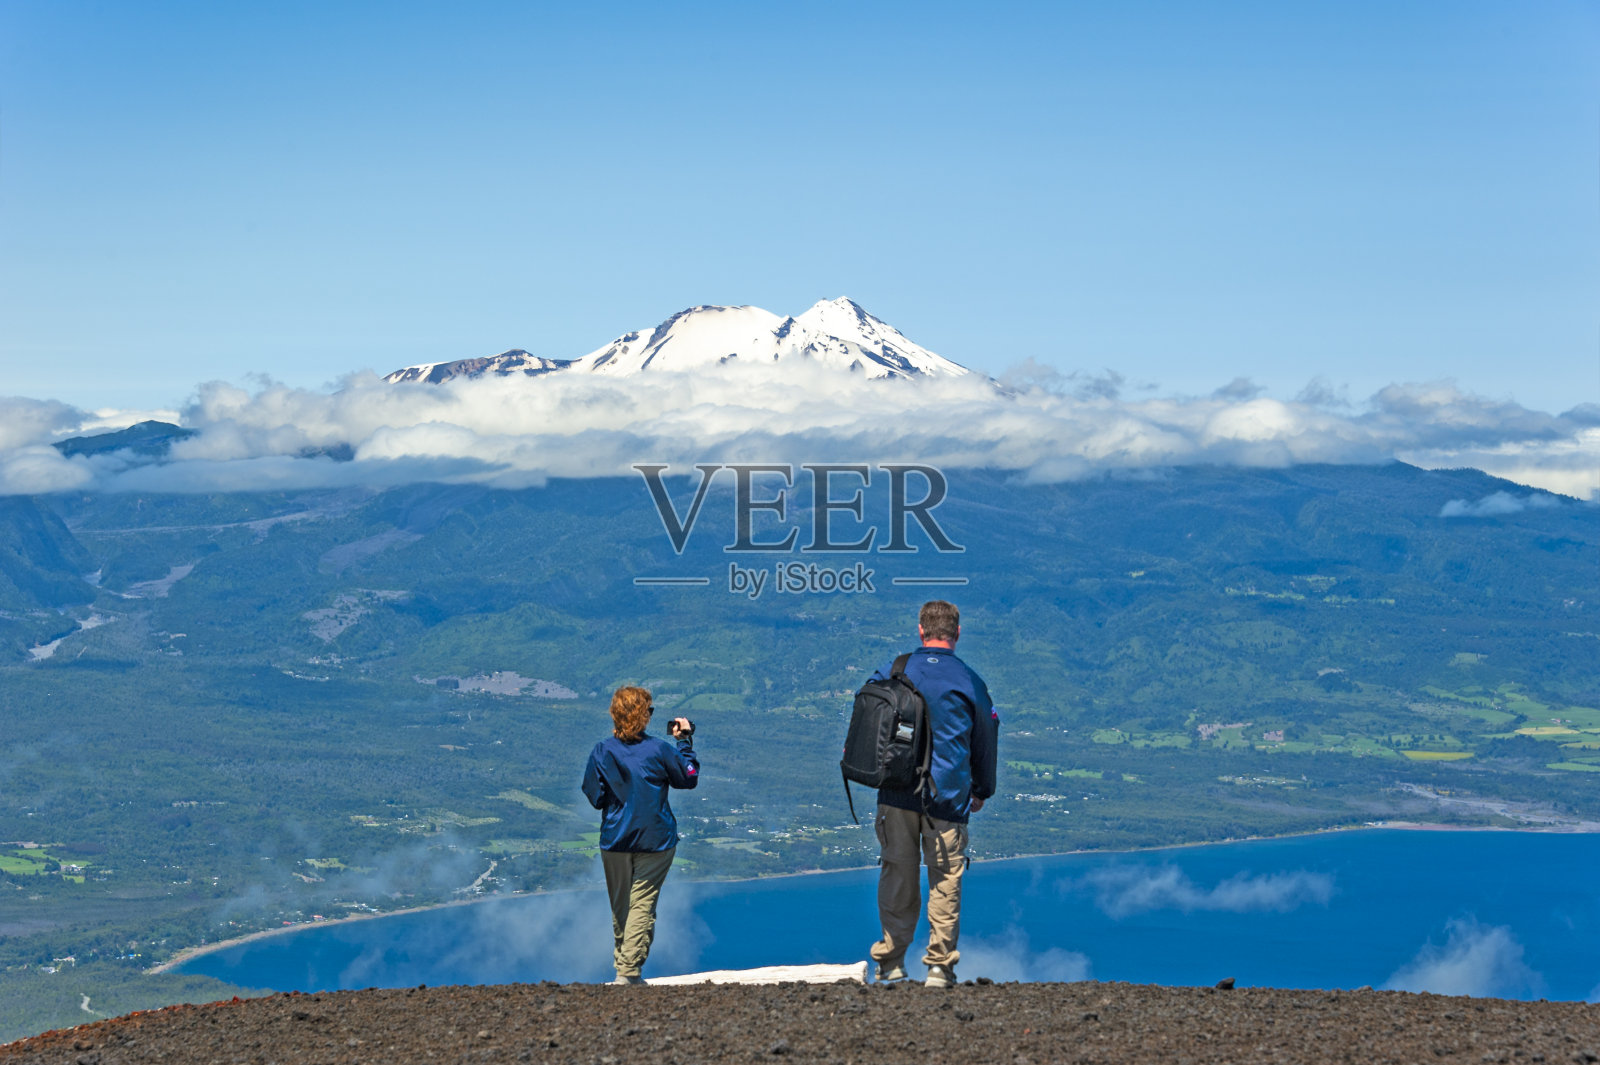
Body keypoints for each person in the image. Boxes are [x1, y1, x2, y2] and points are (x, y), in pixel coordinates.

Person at [867, 600, 998, 988]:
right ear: (957, 633)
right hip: (948, 796)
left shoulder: (894, 670)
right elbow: (986, 738)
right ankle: (939, 968)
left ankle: (890, 963)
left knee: (897, 875)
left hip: (896, 792)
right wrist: (982, 789)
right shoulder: (970, 680)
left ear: (921, 631)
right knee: (945, 880)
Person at [581, 686, 699, 985]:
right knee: (642, 905)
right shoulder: (659, 749)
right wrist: (684, 742)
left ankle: (625, 969)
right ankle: (628, 973)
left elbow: (595, 796)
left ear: (615, 714)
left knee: (622, 908)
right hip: (655, 838)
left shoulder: (602, 751)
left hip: (615, 839)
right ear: (643, 715)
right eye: (650, 710)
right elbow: (689, 777)